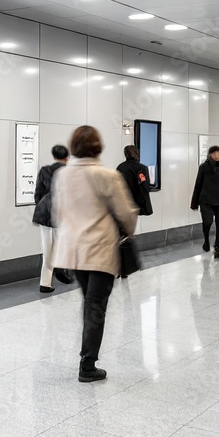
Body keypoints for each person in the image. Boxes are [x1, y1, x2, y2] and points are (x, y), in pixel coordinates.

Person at [52, 126, 138, 383]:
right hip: (100, 249)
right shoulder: (107, 175)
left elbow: (58, 213)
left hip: (74, 250)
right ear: (98, 146)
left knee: (90, 302)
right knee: (96, 305)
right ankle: (87, 365)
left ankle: (87, 357)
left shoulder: (63, 176)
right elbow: (126, 214)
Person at [33, 144, 73, 294]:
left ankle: (45, 283)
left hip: (44, 213)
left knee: (47, 248)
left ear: (54, 156)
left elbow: (38, 194)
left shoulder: (45, 170)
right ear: (67, 157)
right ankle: (60, 268)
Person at [191, 145, 219, 258]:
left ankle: (218, 247)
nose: (217, 155)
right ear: (210, 154)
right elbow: (198, 185)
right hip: (206, 201)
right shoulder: (204, 167)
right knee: (207, 222)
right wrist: (194, 202)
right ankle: (206, 240)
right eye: (214, 153)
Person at [117, 145, 153, 218]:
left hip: (124, 203)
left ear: (125, 154)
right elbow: (145, 187)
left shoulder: (120, 167)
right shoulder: (142, 168)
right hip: (139, 204)